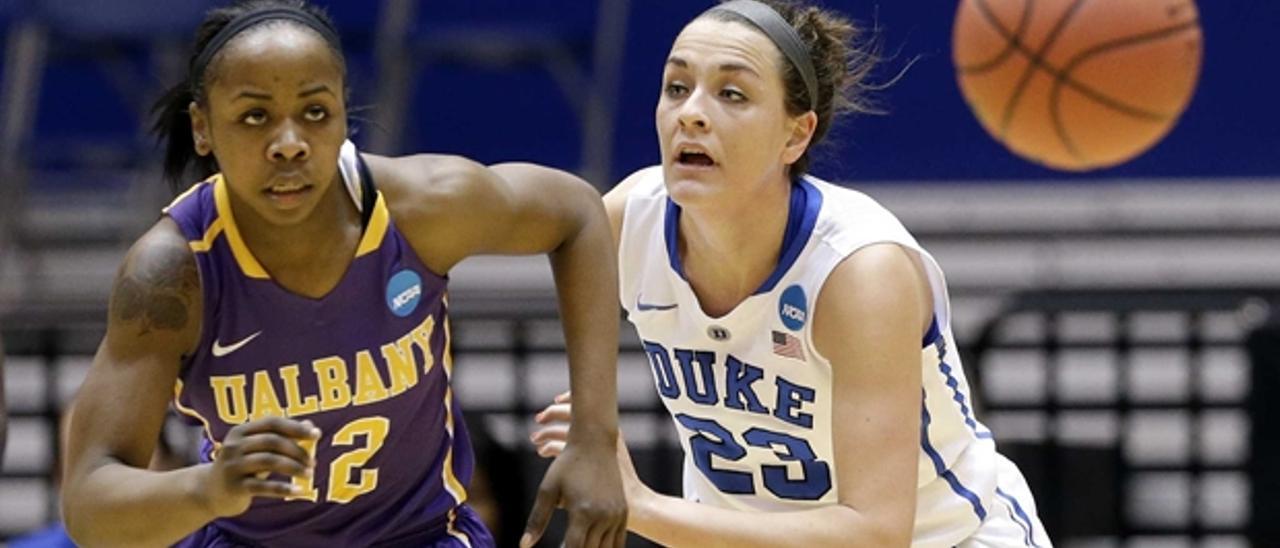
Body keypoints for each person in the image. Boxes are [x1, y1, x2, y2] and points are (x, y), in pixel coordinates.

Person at [59, 1, 626, 547]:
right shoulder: (173, 272)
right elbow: (88, 504)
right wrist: (206, 488)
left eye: (315, 112)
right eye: (255, 116)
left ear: (343, 112)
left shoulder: (421, 208)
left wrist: (596, 438)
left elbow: (576, 212)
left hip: (423, 537)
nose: (289, 144)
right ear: (203, 128)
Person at [531, 0, 1050, 546]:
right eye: (677, 87)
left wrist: (636, 505)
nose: (691, 113)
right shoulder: (627, 222)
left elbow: (873, 533)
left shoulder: (858, 271)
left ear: (796, 136)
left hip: (944, 538)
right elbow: (523, 218)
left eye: (732, 94)